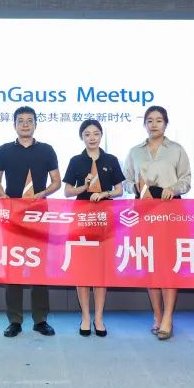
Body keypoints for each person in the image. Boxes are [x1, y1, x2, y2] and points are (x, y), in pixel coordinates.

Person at [0, 106, 62, 338]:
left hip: (38, 215)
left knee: (38, 267)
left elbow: (56, 181)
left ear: (35, 124)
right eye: (20, 120)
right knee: (13, 267)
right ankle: (14, 320)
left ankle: (40, 320)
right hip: (12, 216)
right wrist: (2, 195)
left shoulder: (46, 150)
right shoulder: (4, 150)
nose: (25, 124)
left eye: (29, 120)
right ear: (14, 124)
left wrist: (42, 194)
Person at [123, 105, 191, 341]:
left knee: (168, 264)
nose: (154, 124)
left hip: (170, 212)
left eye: (159, 120)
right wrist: (136, 187)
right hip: (143, 212)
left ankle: (168, 318)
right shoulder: (135, 152)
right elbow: (125, 181)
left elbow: (186, 180)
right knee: (150, 263)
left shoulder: (177, 149)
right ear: (144, 124)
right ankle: (157, 315)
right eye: (150, 120)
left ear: (166, 123)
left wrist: (173, 189)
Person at [63, 119, 124, 337]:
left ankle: (99, 317)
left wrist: (104, 193)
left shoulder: (111, 160)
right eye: (87, 134)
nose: (92, 137)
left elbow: (120, 190)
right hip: (81, 219)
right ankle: (85, 317)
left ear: (101, 136)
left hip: (104, 219)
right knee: (83, 268)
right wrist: (84, 187)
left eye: (96, 133)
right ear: (82, 137)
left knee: (100, 269)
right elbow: (67, 191)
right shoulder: (76, 161)